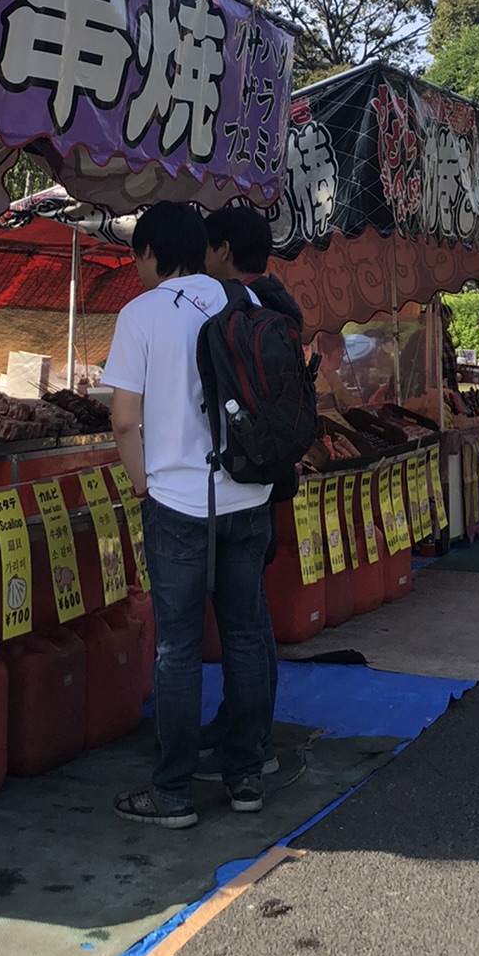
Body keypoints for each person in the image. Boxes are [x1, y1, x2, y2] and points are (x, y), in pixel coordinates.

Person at [104, 203, 274, 828]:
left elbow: (125, 419)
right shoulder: (244, 304)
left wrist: (142, 482)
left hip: (177, 499)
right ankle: (247, 776)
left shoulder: (142, 314)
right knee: (245, 633)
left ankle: (173, 793)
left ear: (149, 254)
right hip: (248, 496)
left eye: (136, 256)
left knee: (177, 647)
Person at [199, 202, 295, 782]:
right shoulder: (279, 303)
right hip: (270, 468)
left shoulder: (245, 305)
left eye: (210, 249)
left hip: (248, 475)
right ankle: (244, 723)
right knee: (249, 615)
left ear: (225, 252)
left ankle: (249, 736)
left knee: (245, 618)